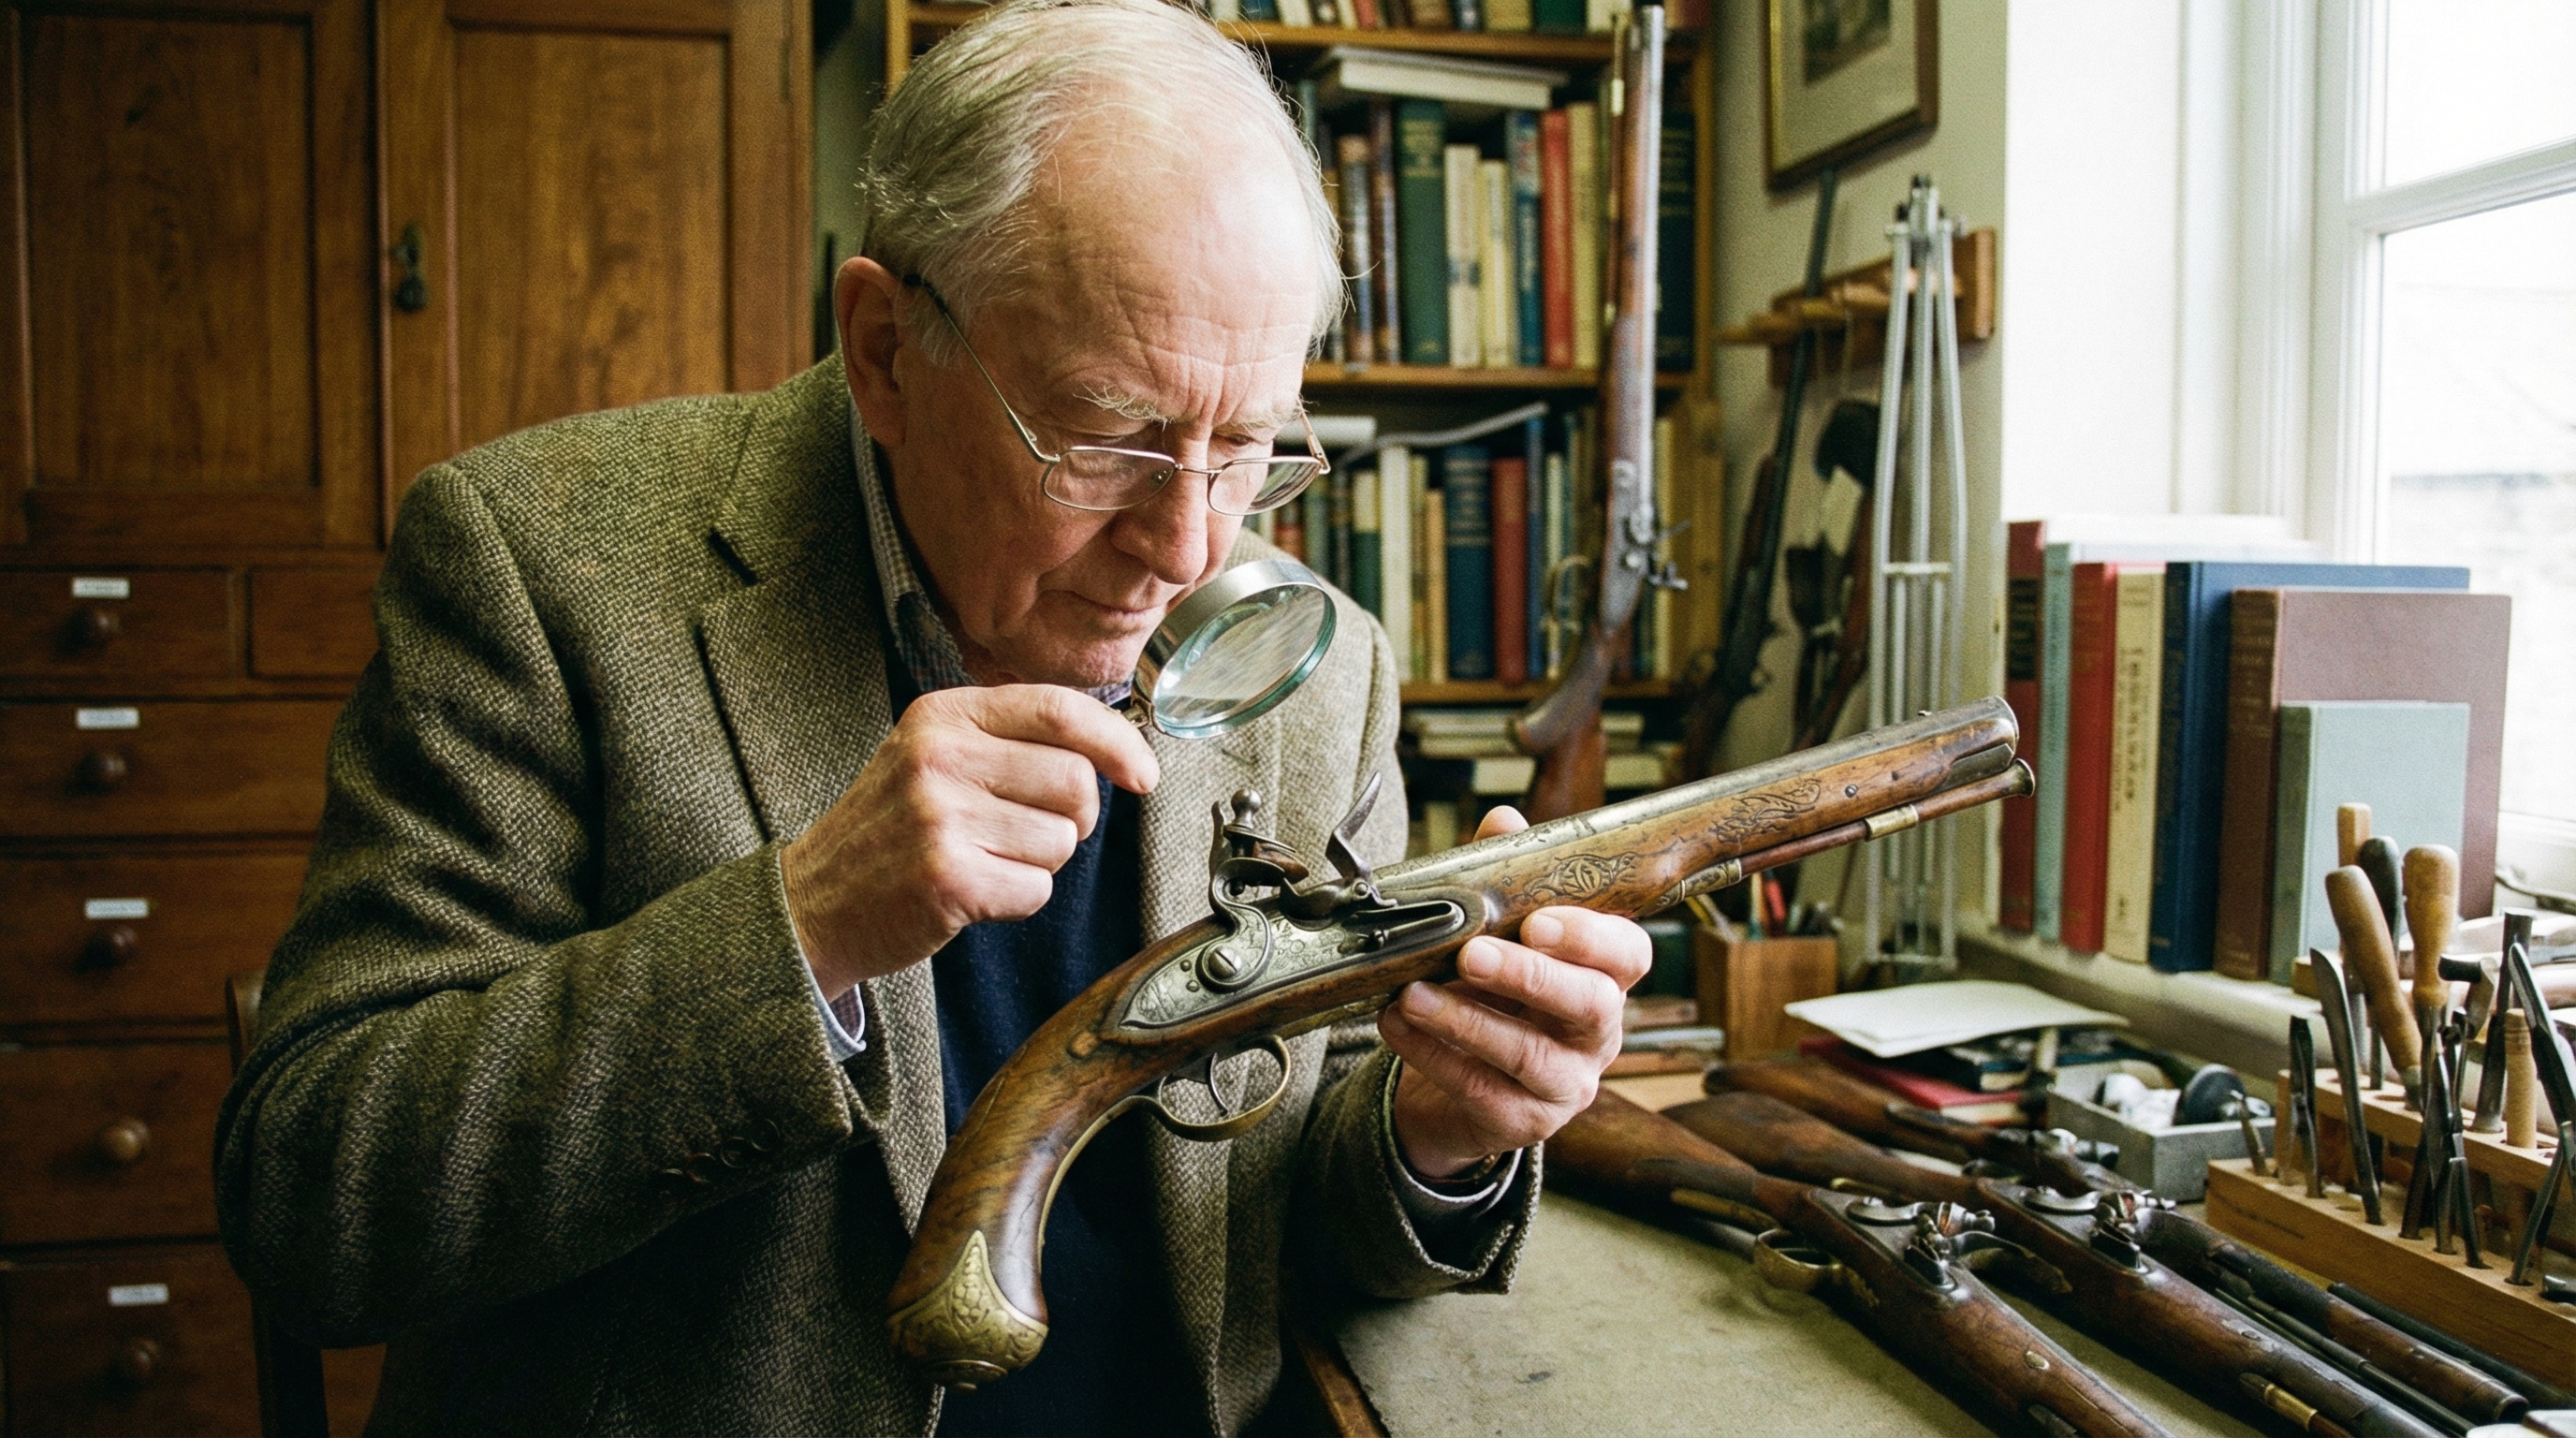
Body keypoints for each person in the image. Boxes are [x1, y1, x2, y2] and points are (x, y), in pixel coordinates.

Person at [216, 1, 1649, 1432]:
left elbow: (1288, 1219)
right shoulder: (541, 566)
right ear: (887, 350)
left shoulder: (1315, 669)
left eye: (1249, 447)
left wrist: (1440, 1131)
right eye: (1110, 440)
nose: (1191, 548)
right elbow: (313, 1207)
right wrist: (803, 927)